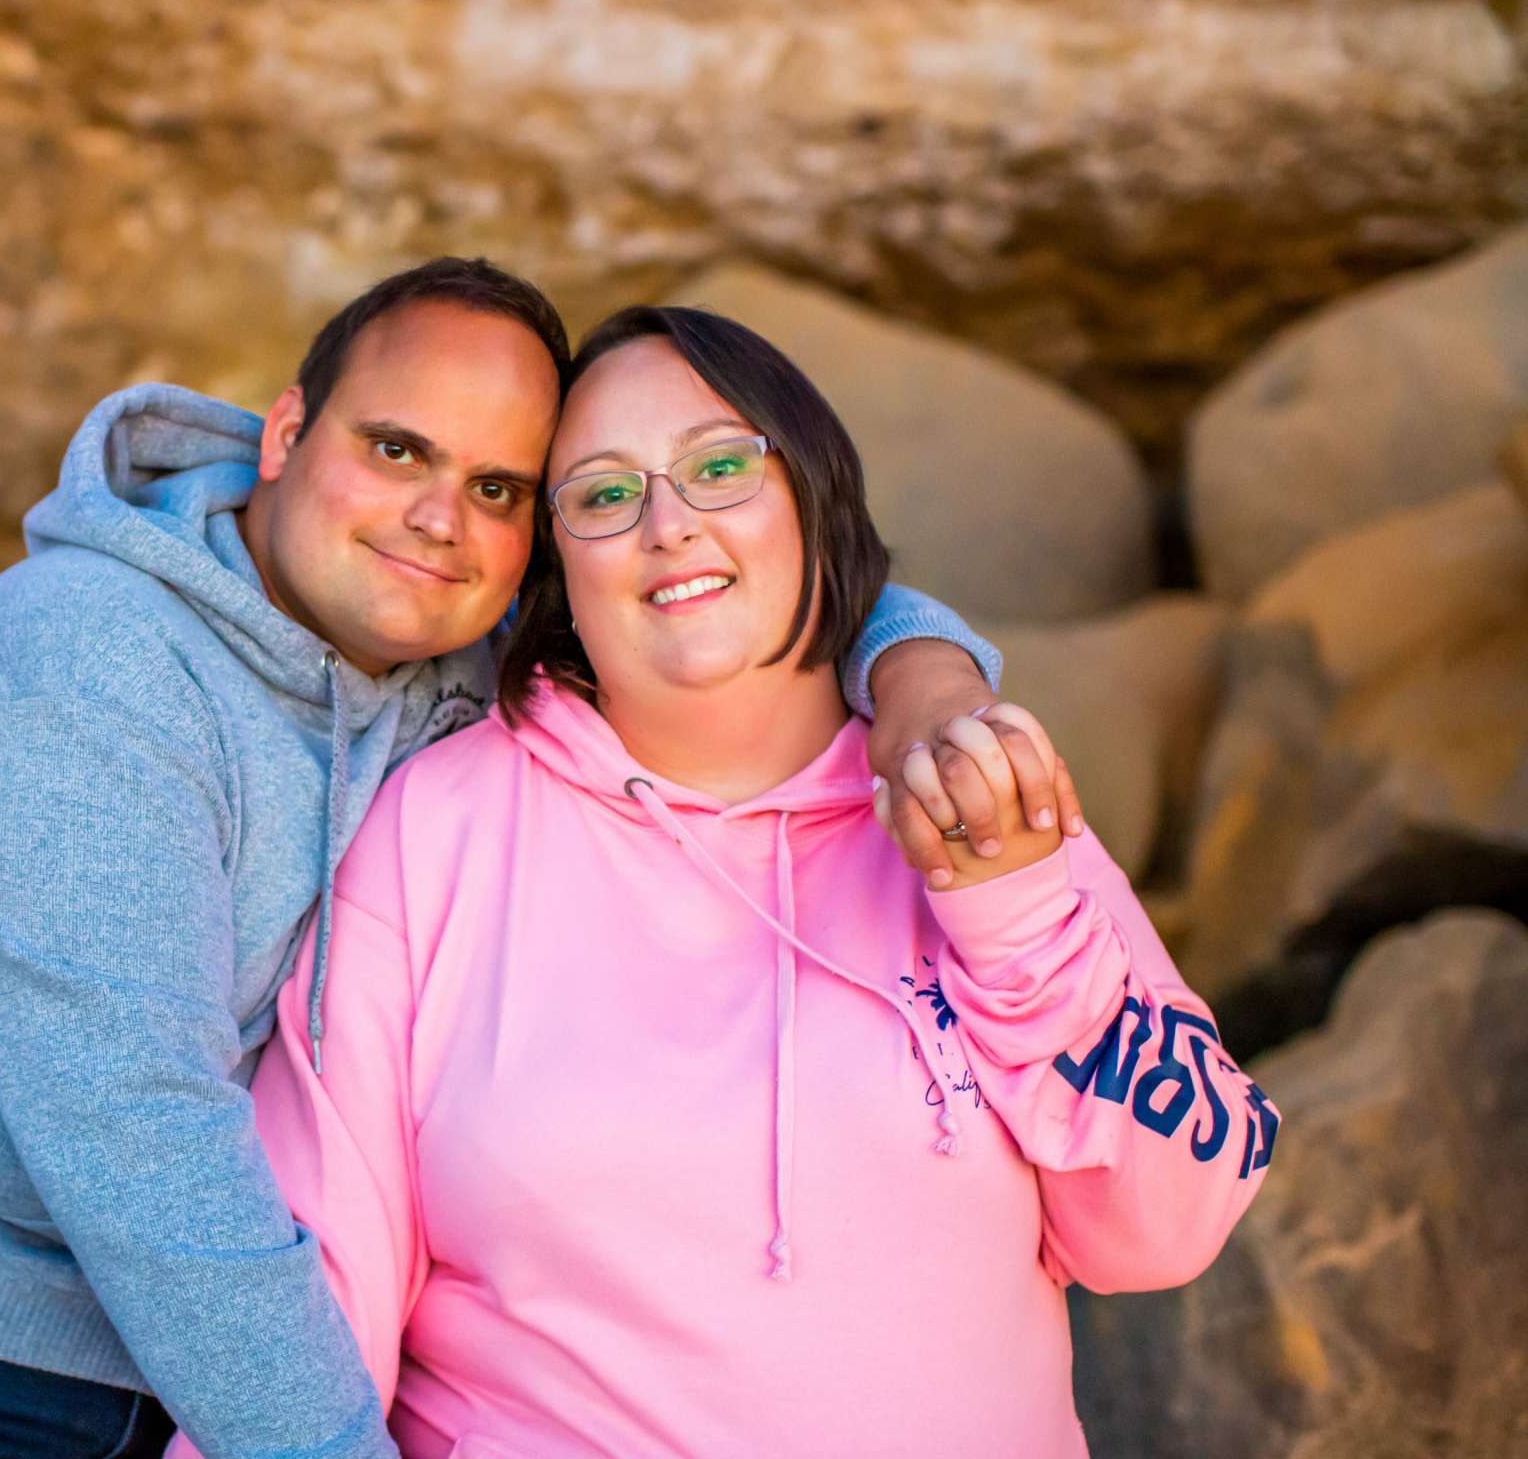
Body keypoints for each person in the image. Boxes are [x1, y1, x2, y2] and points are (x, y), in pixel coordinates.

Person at [0, 261, 1047, 1459]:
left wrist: (922, 672)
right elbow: (139, 1141)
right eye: (397, 449)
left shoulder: (454, 650)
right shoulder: (86, 668)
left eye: (498, 490)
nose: (437, 516)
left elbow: (737, 578)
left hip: (164, 1383)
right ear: (284, 435)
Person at [187, 305, 1281, 1458]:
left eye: (720, 467)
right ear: (556, 569)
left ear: (813, 498)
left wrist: (1014, 914)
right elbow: (310, 1309)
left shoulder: (980, 799)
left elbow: (1171, 1227)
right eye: (607, 495)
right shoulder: (435, 832)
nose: (668, 524)